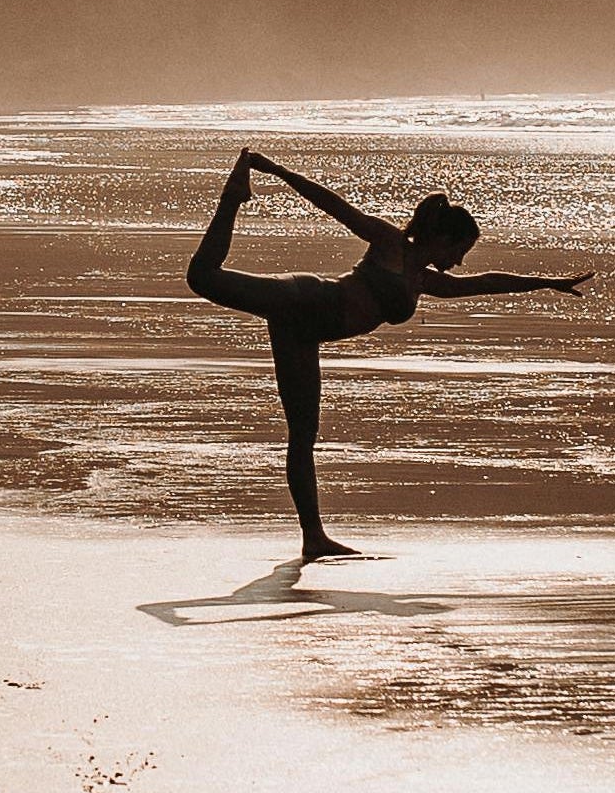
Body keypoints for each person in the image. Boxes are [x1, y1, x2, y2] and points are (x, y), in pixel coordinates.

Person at [183, 149, 592, 559]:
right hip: (303, 298)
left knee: (303, 436)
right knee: (203, 277)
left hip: (303, 333)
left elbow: (483, 282)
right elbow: (333, 205)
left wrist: (545, 283)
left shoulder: (423, 282)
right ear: (443, 239)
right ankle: (233, 196)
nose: (459, 260)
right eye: (460, 249)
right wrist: (277, 170)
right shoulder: (389, 244)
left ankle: (314, 536)